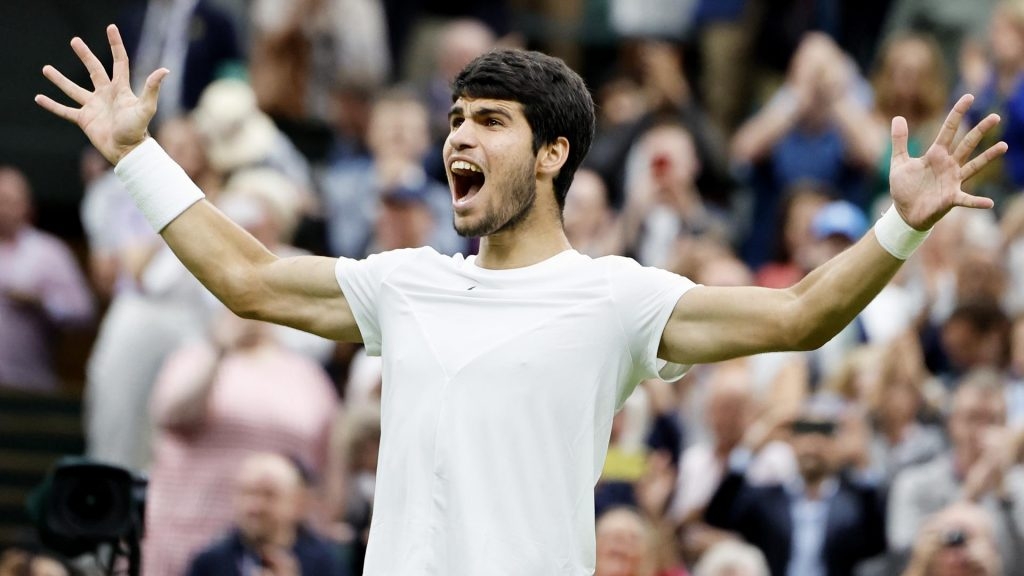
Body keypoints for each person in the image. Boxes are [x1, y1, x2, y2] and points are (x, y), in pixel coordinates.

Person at [36, 24, 1005, 575]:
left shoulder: (616, 299)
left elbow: (800, 316)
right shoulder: (403, 283)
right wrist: (137, 155)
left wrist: (902, 223)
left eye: (490, 122)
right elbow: (245, 277)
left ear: (553, 155)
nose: (460, 136)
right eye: (456, 120)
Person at [0, 166, 94, 391]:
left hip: (27, 385)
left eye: (10, 201)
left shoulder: (49, 252)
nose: (3, 209)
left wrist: (41, 302)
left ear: (27, 205)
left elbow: (83, 312)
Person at [185, 452, 347, 576]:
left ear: (297, 502)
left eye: (269, 495)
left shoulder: (324, 562)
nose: (254, 506)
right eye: (247, 493)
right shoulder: (210, 561)